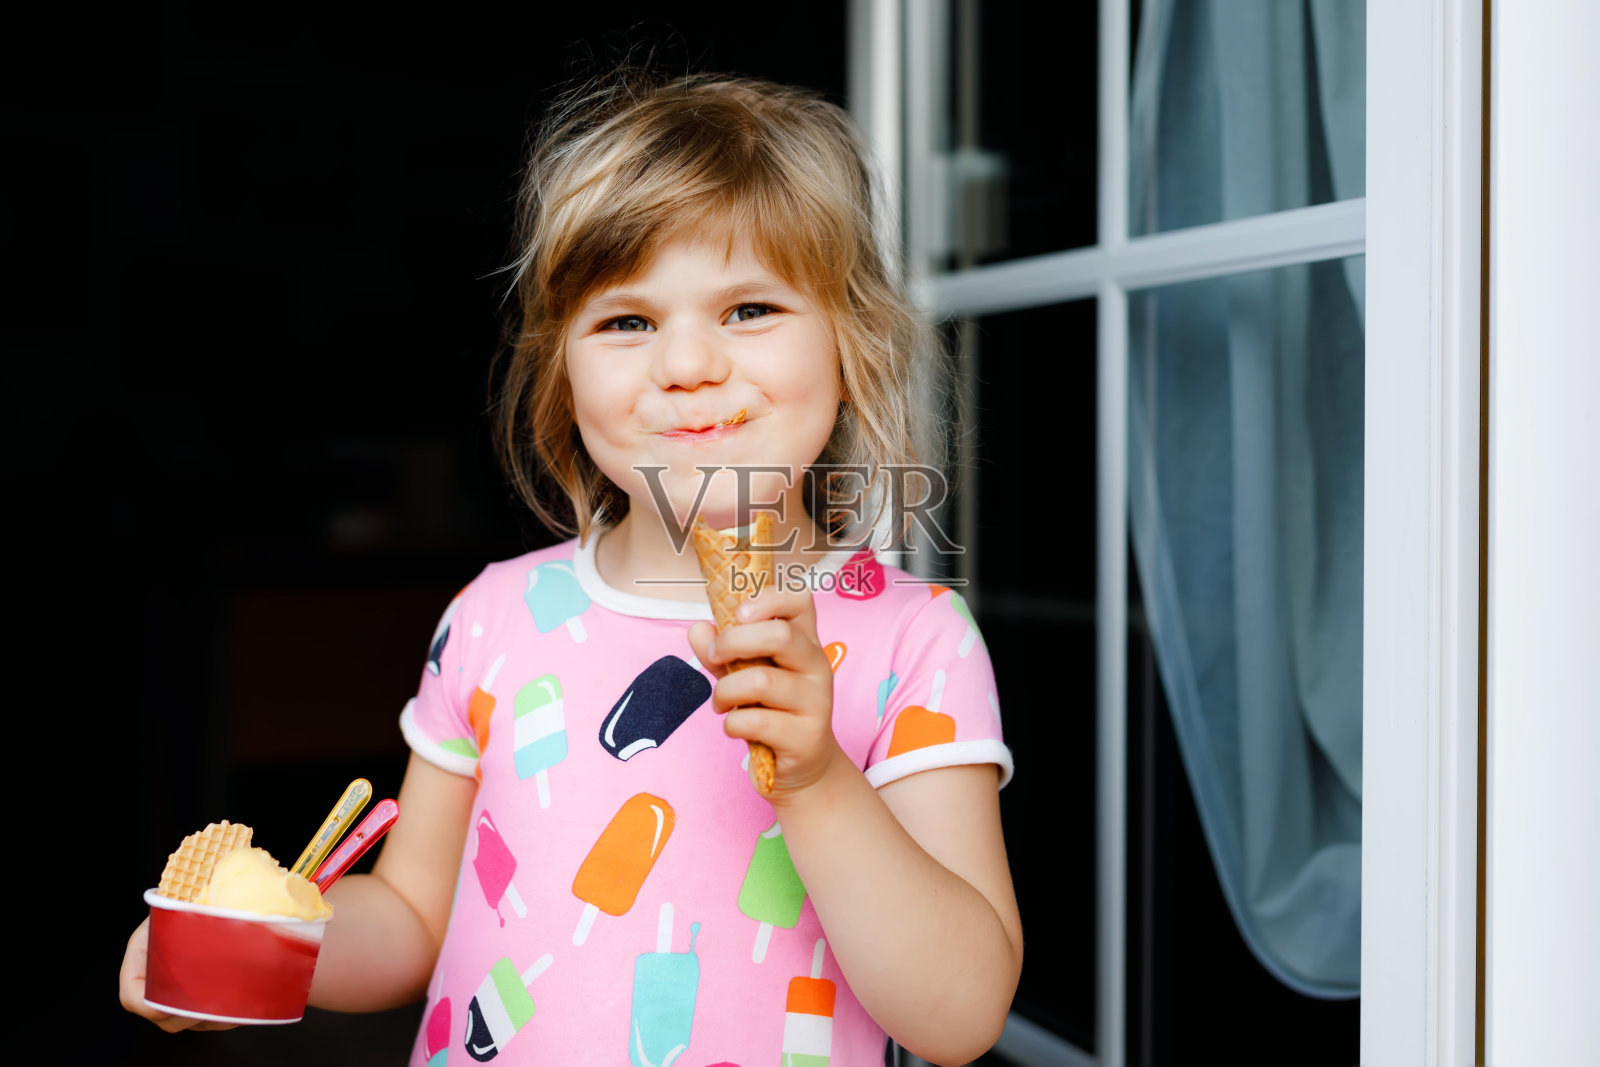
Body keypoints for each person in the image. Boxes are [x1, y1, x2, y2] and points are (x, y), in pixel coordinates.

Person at [120, 69, 1022, 1066]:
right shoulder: (496, 616)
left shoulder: (912, 638)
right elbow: (415, 918)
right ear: (562, 371)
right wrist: (259, 938)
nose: (685, 364)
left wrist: (815, 780)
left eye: (750, 308)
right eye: (626, 321)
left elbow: (959, 1014)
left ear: (851, 342)